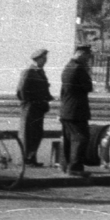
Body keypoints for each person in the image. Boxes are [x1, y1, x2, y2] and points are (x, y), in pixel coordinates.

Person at [58, 44, 95, 177]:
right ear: (81, 54)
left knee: (68, 139)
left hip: (67, 109)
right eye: (87, 56)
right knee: (81, 138)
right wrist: (88, 72)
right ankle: (75, 167)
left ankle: (65, 165)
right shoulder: (79, 68)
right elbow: (88, 87)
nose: (88, 59)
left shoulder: (67, 67)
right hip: (76, 110)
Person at [16, 49, 53, 166]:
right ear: (37, 59)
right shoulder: (29, 72)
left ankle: (32, 158)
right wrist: (28, 102)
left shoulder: (40, 72)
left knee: (36, 133)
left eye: (45, 58)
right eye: (43, 58)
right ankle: (26, 159)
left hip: (39, 108)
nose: (45, 60)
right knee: (28, 133)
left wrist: (47, 98)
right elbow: (21, 90)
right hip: (30, 107)